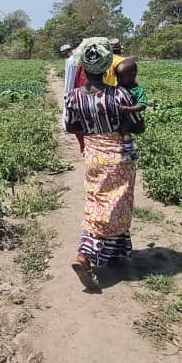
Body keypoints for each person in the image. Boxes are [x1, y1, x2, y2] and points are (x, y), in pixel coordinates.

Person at [63, 37, 138, 292]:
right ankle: (86, 255)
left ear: (84, 66)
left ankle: (115, 253)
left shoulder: (73, 97)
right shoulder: (120, 94)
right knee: (116, 204)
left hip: (93, 153)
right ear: (107, 64)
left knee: (98, 201)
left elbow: (70, 126)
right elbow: (138, 126)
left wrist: (89, 126)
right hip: (117, 154)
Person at [114, 58, 147, 161]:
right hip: (118, 116)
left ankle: (129, 152)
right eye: (117, 76)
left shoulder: (137, 90)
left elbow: (142, 104)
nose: (118, 79)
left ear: (132, 75)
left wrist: (129, 109)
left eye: (121, 77)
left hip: (129, 118)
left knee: (124, 131)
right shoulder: (117, 87)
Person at [59, 43, 78, 130]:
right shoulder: (78, 59)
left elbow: (69, 78)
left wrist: (67, 92)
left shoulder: (71, 61)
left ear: (65, 52)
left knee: (68, 106)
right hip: (80, 87)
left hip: (72, 88)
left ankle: (67, 125)